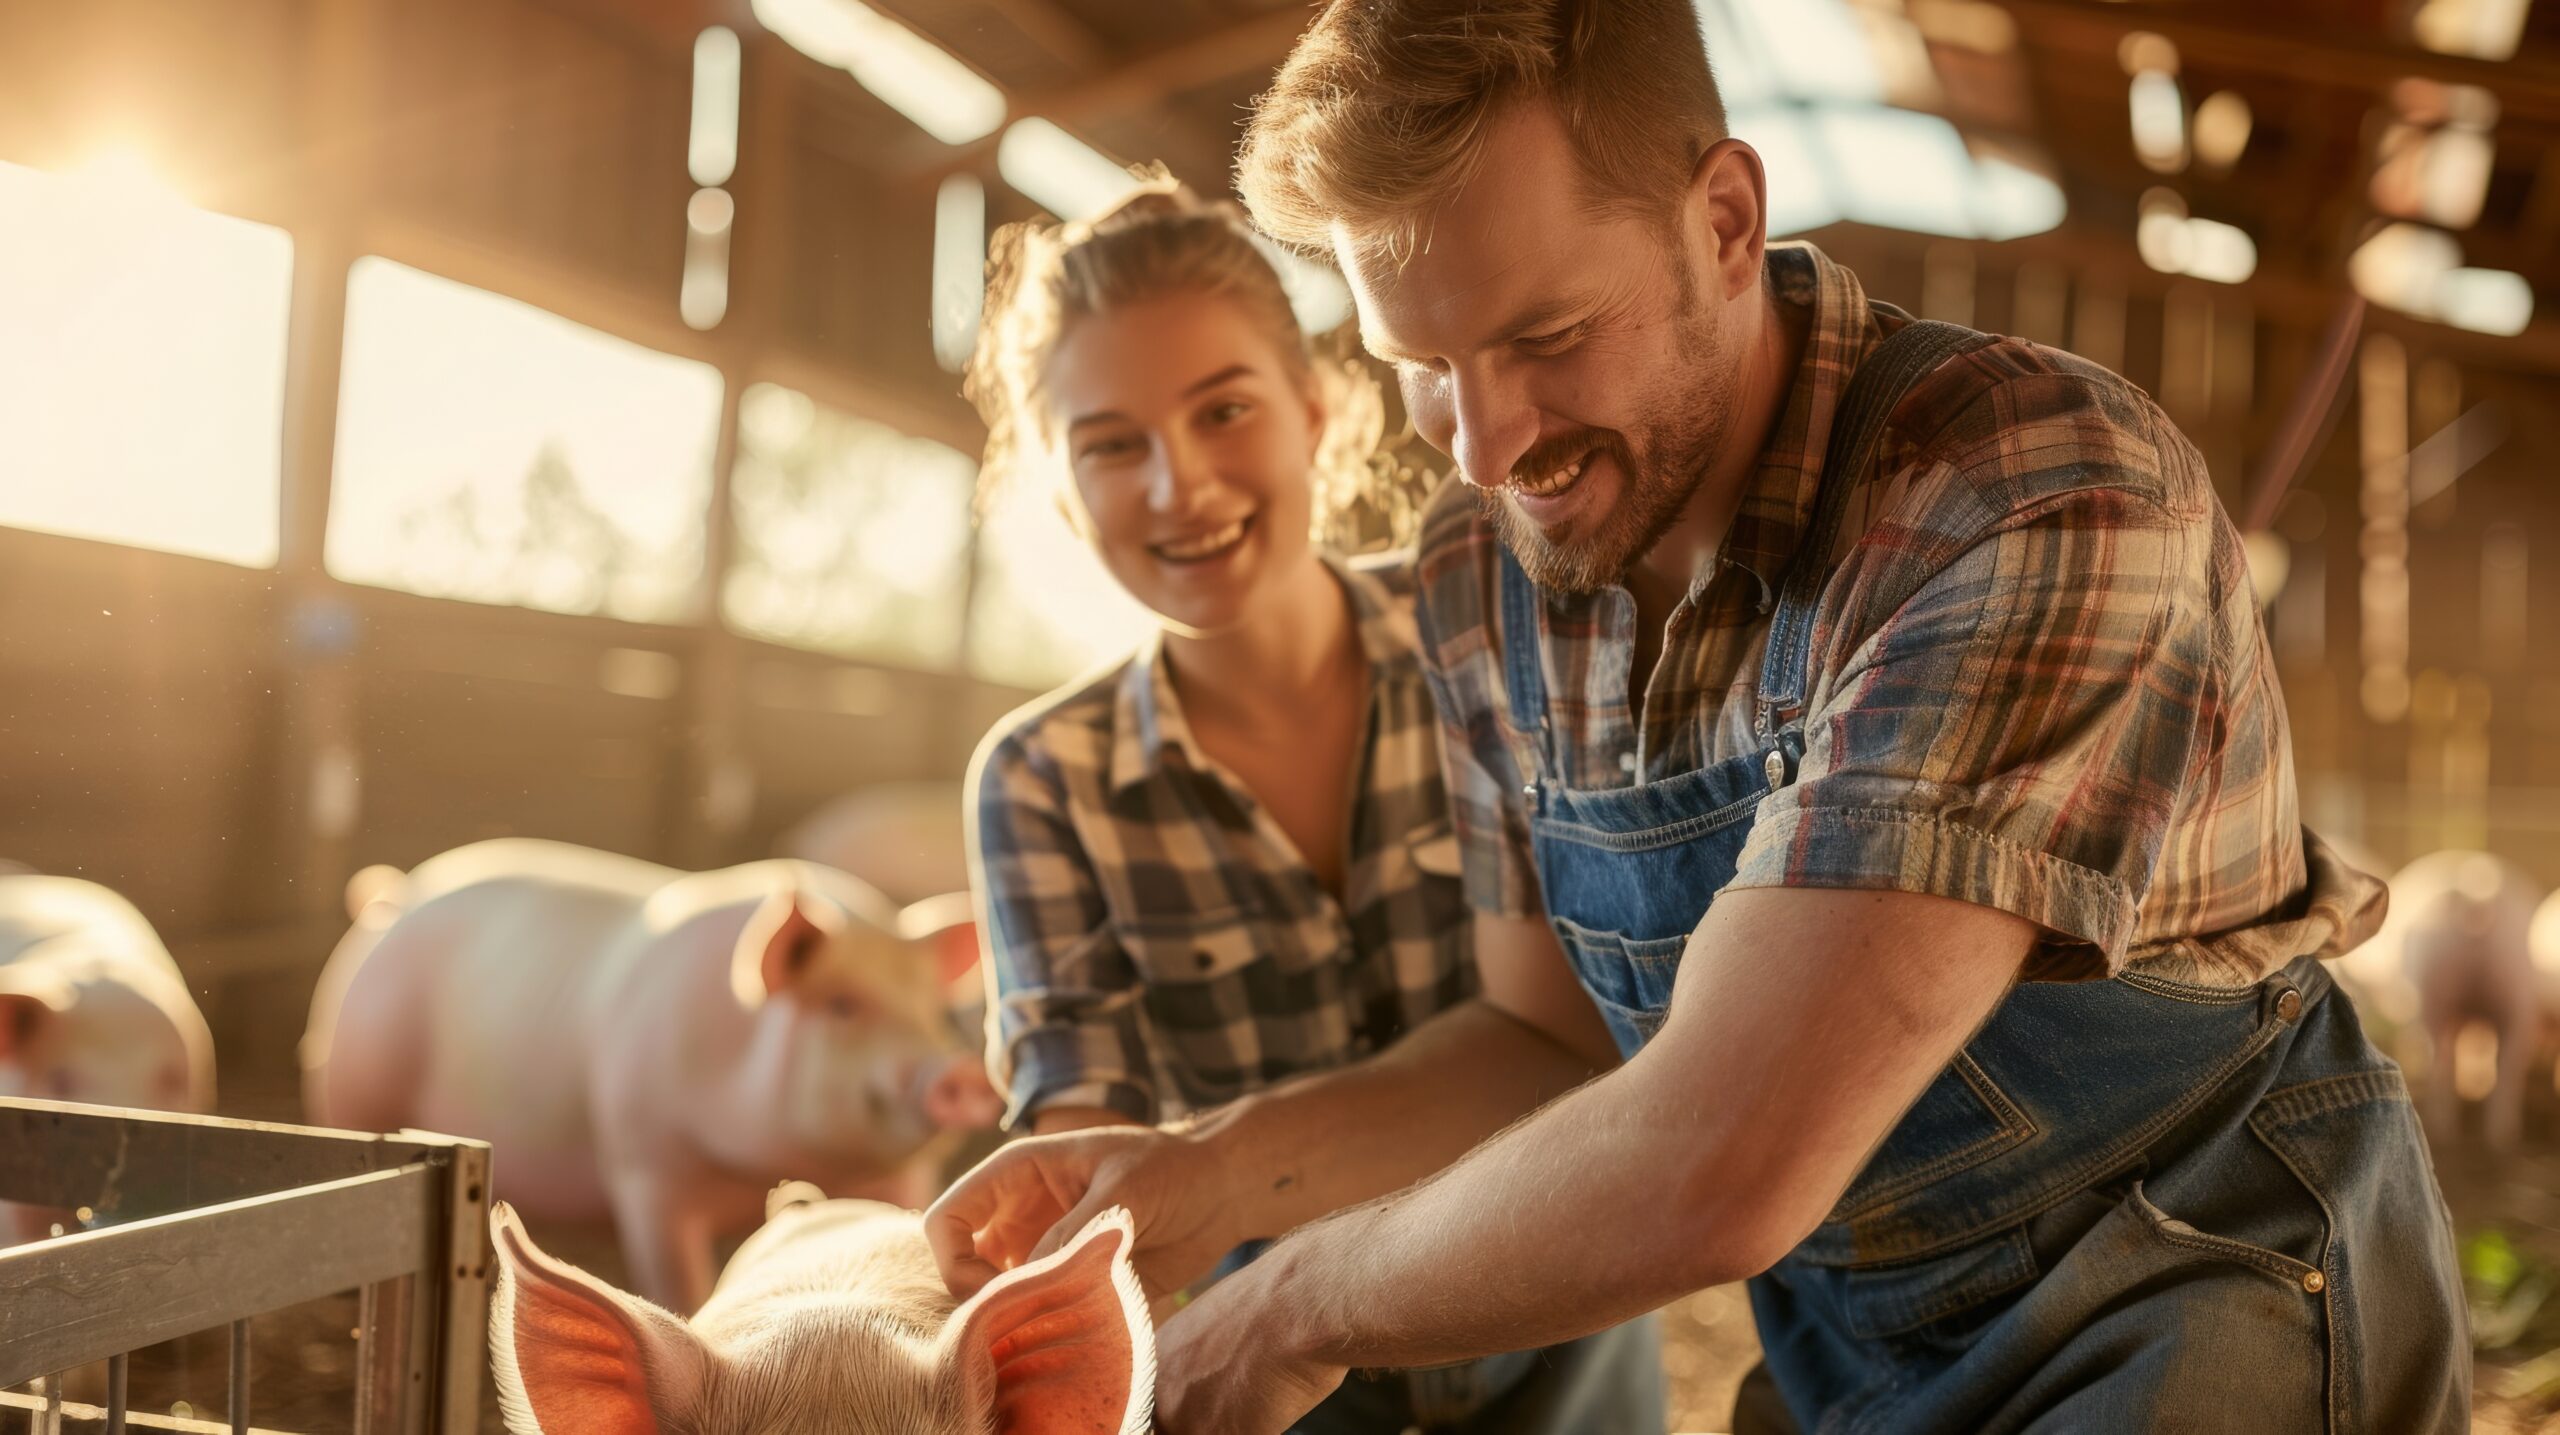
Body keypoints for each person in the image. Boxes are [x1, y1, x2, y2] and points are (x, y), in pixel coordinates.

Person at [927, 4, 2472, 1433]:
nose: (1482, 445)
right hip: (1849, 1346)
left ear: (1725, 221)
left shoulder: (2028, 498)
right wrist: (1201, 1176)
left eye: (1541, 338)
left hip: (2192, 1293)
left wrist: (1283, 1306)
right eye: (1421, 365)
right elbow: (1544, 1041)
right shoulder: (1483, 571)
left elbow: (1722, 1155)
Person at [957, 180, 1665, 1433]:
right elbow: (1088, 1169)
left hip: (1564, 1336)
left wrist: (1204, 1173)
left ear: (1318, 414)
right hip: (1262, 1385)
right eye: (1110, 444)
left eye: (1223, 409)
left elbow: (1579, 1043)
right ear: (1060, 491)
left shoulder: (1497, 625)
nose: (1178, 485)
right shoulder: (1038, 781)